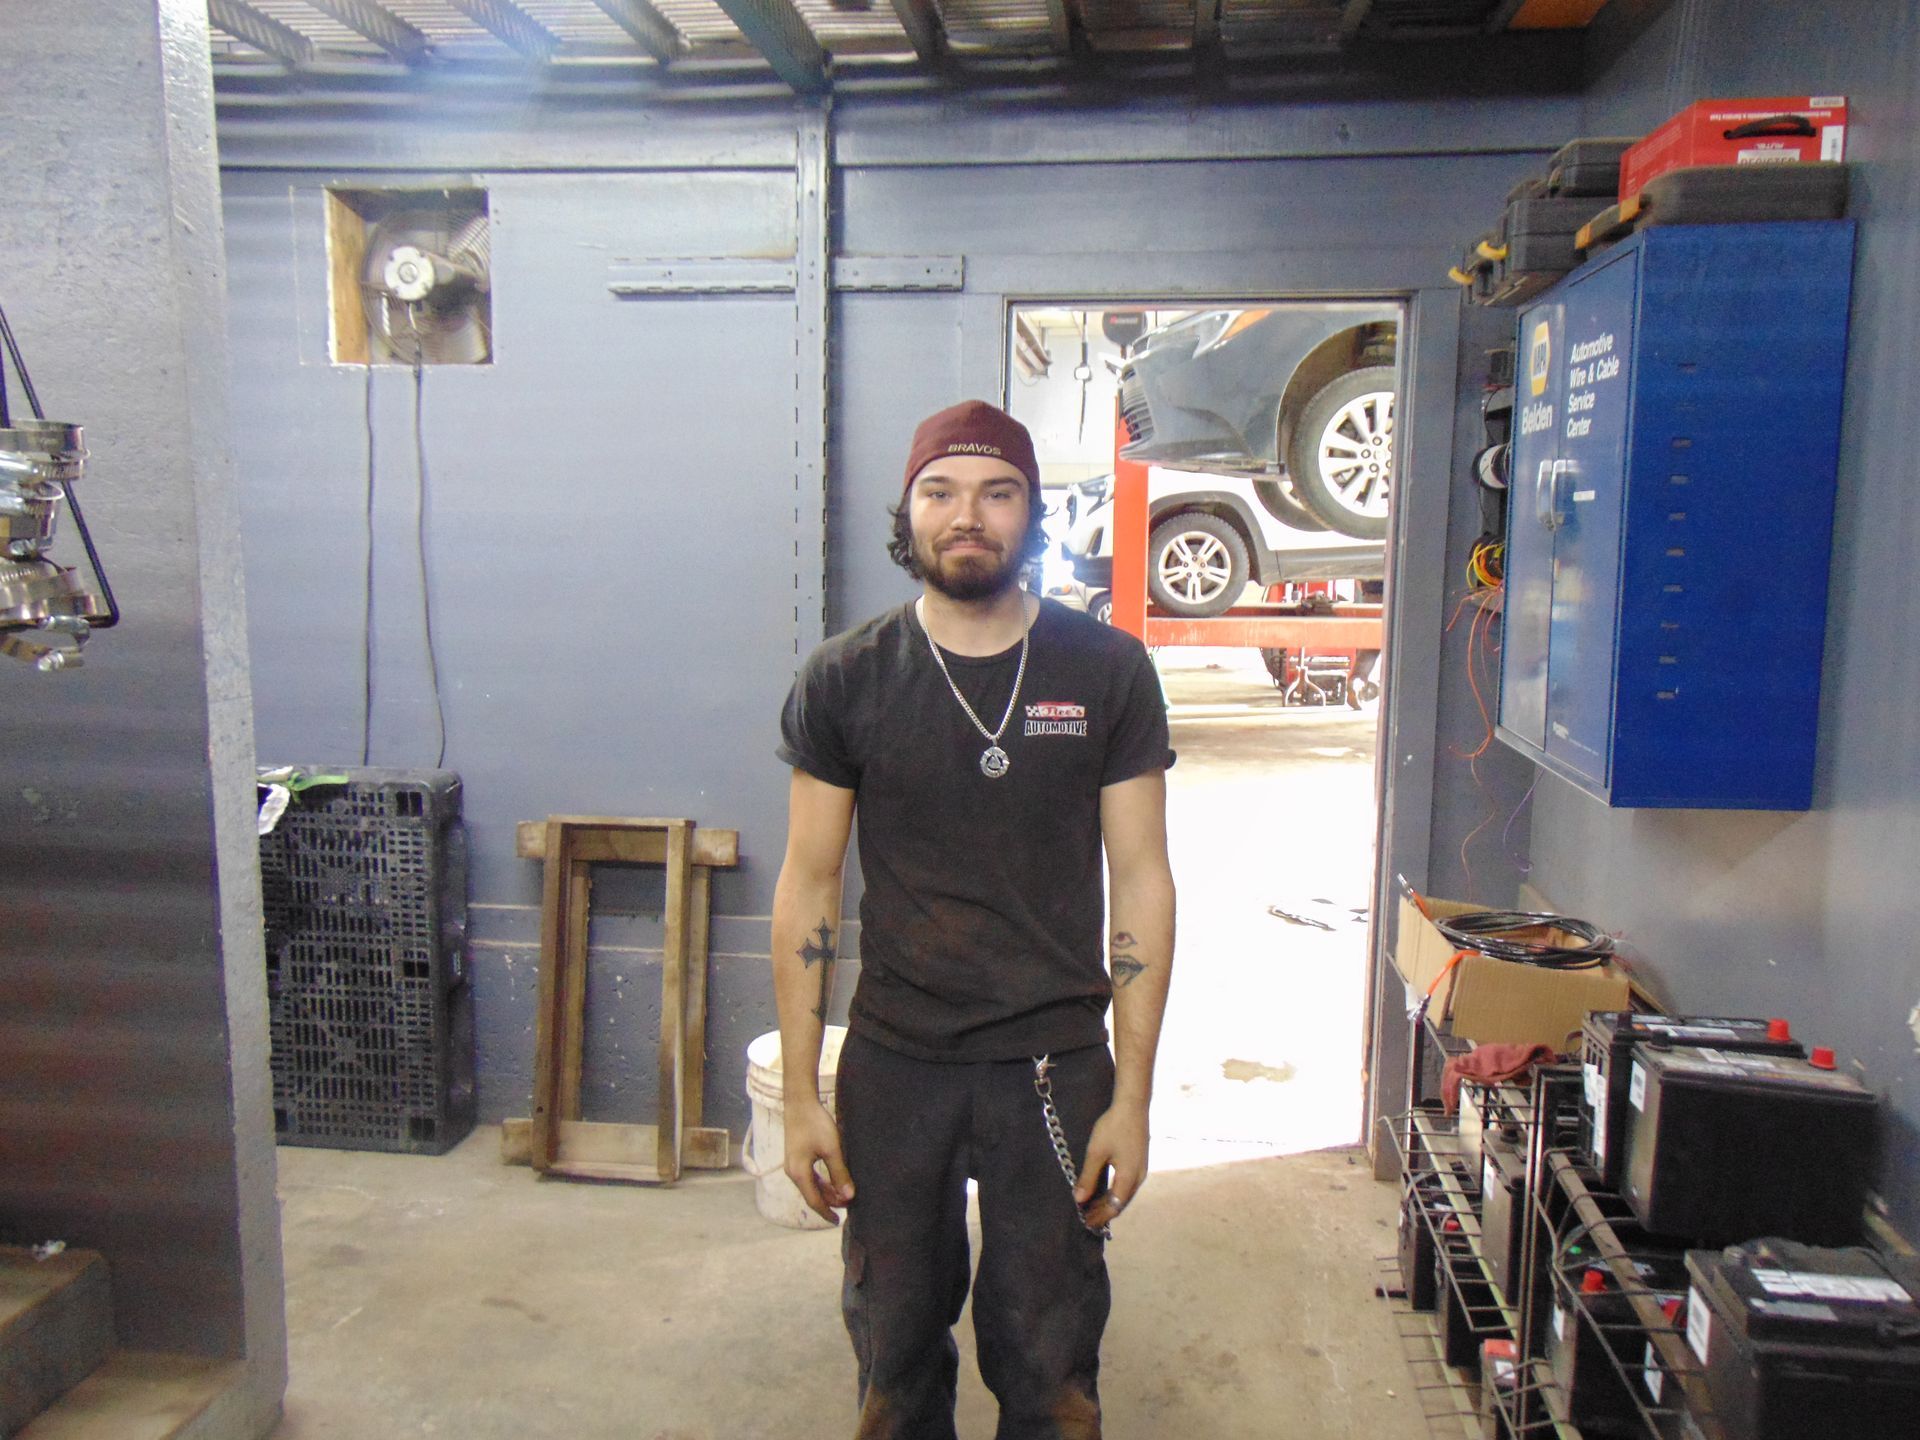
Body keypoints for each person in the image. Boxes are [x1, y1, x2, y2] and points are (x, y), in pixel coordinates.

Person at [770, 399, 1176, 1440]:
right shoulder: (846, 680)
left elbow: (1141, 879)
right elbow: (809, 885)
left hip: (1052, 1062)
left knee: (1048, 1359)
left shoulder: (1108, 671)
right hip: (897, 1062)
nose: (968, 516)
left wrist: (1131, 1098)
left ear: (1032, 514)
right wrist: (805, 1098)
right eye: (940, 492)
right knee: (895, 1353)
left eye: (998, 493)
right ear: (907, 516)